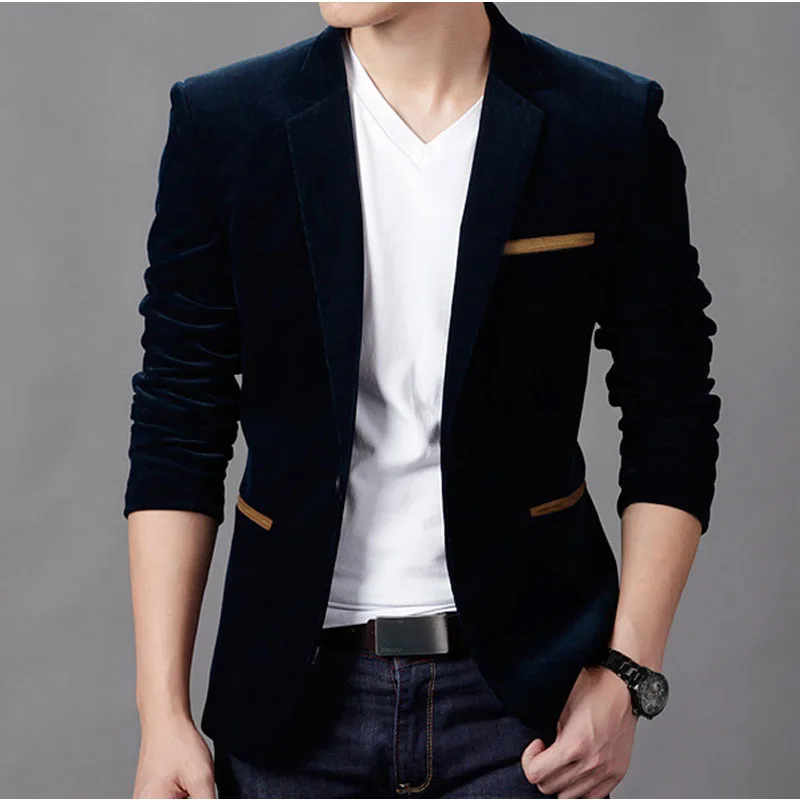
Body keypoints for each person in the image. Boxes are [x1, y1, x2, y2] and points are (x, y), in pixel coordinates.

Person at [123, 2, 721, 798]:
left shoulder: (606, 123)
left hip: (525, 711)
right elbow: (178, 419)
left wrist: (628, 672)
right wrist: (160, 711)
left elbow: (671, 409)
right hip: (289, 708)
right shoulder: (227, 124)